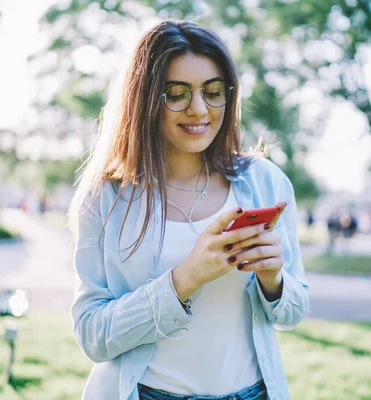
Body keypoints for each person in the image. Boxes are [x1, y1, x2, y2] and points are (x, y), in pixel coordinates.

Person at [68, 20, 309, 400]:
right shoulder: (105, 197)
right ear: (145, 99)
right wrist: (184, 280)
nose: (199, 109)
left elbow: (293, 312)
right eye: (176, 94)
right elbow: (92, 335)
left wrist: (273, 279)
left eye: (213, 91)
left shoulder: (266, 182)